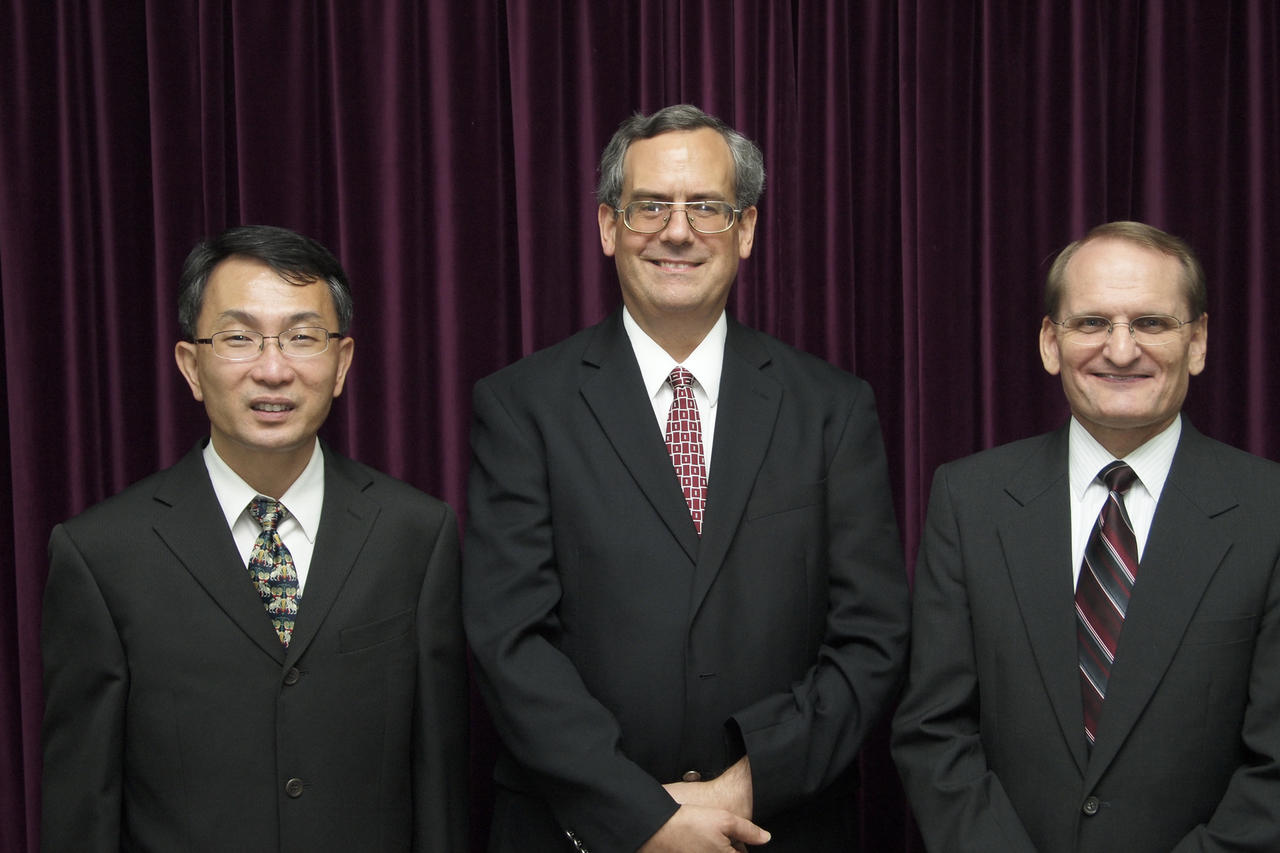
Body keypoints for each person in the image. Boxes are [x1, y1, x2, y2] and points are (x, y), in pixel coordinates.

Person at [463, 104, 909, 852]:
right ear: (608, 227)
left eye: (707, 207)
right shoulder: (520, 406)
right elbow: (510, 641)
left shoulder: (832, 408)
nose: (677, 231)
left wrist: (745, 785)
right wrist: (641, 814)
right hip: (579, 833)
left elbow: (873, 634)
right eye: (649, 207)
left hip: (777, 826)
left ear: (746, 229)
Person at [41, 225, 467, 852]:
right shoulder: (102, 554)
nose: (273, 370)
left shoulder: (415, 535)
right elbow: (82, 806)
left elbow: (440, 786)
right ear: (192, 366)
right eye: (238, 338)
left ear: (342, 362)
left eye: (303, 337)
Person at [892, 220, 1280, 851]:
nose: (1120, 351)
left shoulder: (1269, 512)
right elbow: (933, 732)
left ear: (1198, 342)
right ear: (1051, 343)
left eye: (1151, 323)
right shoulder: (969, 501)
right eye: (1093, 322)